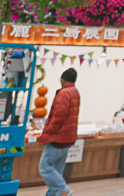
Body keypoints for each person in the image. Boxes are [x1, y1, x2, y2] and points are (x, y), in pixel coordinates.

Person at [38, 68, 80, 196]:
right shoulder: (75, 92)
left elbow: (58, 117)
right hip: (68, 138)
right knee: (56, 169)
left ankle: (63, 190)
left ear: (64, 79)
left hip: (57, 138)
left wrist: (47, 132)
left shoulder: (64, 94)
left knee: (44, 167)